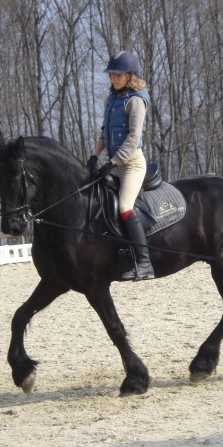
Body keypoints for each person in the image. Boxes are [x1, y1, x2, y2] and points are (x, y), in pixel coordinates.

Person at [86, 50, 155, 281]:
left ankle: (144, 263)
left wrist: (112, 162)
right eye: (111, 74)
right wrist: (95, 156)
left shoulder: (136, 100)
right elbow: (104, 133)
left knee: (125, 206)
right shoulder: (111, 98)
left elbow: (133, 139)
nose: (114, 78)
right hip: (114, 163)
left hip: (132, 164)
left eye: (118, 74)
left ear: (129, 75)